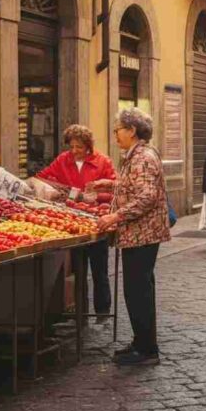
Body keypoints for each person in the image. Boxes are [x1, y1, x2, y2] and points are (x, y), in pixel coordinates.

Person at [95, 108, 171, 366]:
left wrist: (115, 217)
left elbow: (146, 197)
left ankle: (147, 350)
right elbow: (136, 187)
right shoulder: (136, 156)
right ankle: (142, 342)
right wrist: (111, 185)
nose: (115, 133)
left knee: (138, 291)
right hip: (139, 234)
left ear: (132, 130)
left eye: (117, 128)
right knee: (138, 290)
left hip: (142, 233)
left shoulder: (142, 158)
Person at [37, 125, 117, 322]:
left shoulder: (102, 162)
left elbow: (116, 191)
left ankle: (102, 311)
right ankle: (81, 312)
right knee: (79, 270)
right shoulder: (63, 160)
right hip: (72, 221)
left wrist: (98, 196)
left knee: (99, 269)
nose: (74, 151)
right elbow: (42, 177)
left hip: (98, 221)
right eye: (71, 146)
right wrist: (58, 192)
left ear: (88, 146)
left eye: (79, 147)